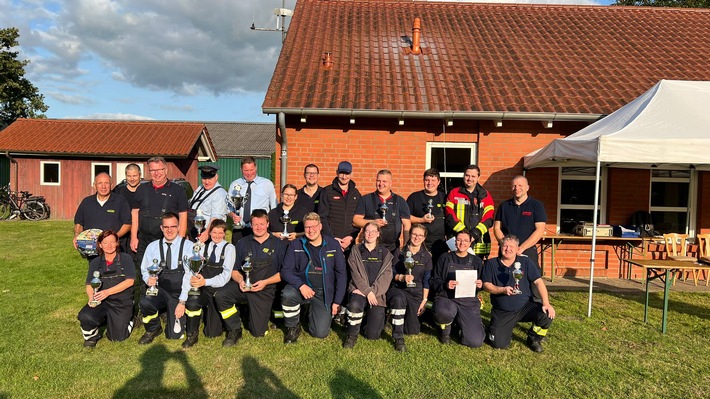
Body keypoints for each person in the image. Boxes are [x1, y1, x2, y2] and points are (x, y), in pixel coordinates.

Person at [215, 209, 287, 346]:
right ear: (251, 225)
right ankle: (234, 328)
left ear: (268, 224)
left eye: (261, 224)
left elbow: (283, 273)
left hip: (264, 290)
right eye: (255, 224)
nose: (258, 227)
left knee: (258, 332)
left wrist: (265, 282)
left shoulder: (278, 244)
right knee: (221, 295)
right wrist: (240, 281)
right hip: (244, 287)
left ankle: (254, 316)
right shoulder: (242, 243)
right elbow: (234, 270)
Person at [280, 212, 347, 343]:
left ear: (320, 226)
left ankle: (311, 312)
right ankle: (292, 327)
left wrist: (337, 301)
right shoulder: (296, 245)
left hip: (323, 292)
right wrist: (301, 285)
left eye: (314, 226)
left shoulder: (332, 245)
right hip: (301, 288)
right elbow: (285, 271)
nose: (311, 230)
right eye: (307, 227)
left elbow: (341, 274)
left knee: (320, 333)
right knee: (287, 294)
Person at [482, 235, 555, 352]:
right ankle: (494, 329)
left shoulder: (525, 261)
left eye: (511, 246)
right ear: (500, 247)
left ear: (517, 248)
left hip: (525, 307)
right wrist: (502, 290)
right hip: (503, 310)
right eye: (505, 246)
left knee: (545, 314)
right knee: (499, 344)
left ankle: (534, 338)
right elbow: (486, 286)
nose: (508, 249)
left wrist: (546, 303)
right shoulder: (491, 264)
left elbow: (539, 282)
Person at [136, 212, 194, 344]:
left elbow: (190, 275)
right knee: (145, 301)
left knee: (174, 336)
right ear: (161, 228)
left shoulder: (188, 246)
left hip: (181, 292)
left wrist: (182, 302)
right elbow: (145, 270)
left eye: (173, 226)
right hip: (161, 290)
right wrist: (147, 279)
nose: (170, 230)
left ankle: (179, 316)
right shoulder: (152, 247)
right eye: (166, 227)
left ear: (179, 227)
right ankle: (153, 328)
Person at [343, 222, 398, 350]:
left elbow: (387, 277)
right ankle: (352, 335)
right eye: (367, 231)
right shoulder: (355, 250)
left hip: (377, 294)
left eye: (373, 231)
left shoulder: (385, 253)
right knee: (355, 304)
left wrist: (373, 292)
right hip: (359, 290)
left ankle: (373, 320)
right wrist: (367, 291)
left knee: (372, 335)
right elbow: (355, 274)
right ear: (363, 233)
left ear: (378, 234)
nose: (370, 234)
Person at [77, 230, 135, 348]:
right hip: (101, 299)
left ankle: (130, 318)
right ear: (100, 245)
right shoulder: (95, 262)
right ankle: (92, 336)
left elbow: (130, 281)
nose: (109, 246)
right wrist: (91, 298)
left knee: (117, 338)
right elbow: (89, 284)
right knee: (85, 316)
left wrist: (108, 292)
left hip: (121, 301)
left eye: (112, 242)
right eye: (105, 243)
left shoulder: (126, 258)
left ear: (117, 243)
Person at [183, 219, 235, 348]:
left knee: (212, 333)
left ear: (225, 233)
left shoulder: (229, 248)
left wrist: (205, 281)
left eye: (220, 232)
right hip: (203, 289)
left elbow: (225, 277)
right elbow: (191, 263)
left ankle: (223, 321)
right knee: (193, 299)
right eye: (214, 232)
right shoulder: (204, 247)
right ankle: (192, 334)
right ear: (209, 233)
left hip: (218, 291)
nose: (217, 235)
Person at [130, 157, 189, 267]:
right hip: (144, 239)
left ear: (166, 170)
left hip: (166, 239)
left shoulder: (178, 190)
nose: (156, 173)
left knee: (166, 270)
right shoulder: (141, 189)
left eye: (160, 170)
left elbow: (183, 215)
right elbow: (134, 213)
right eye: (153, 170)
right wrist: (134, 237)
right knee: (142, 270)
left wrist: (180, 241)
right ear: (149, 172)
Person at [430, 230, 485, 348]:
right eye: (459, 240)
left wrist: (480, 285)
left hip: (468, 301)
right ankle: (444, 332)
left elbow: (481, 283)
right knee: (443, 312)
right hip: (447, 298)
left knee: (475, 342)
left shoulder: (476, 261)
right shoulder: (444, 258)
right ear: (455, 242)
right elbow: (434, 281)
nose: (462, 243)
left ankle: (462, 327)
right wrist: (445, 285)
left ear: (470, 243)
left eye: (466, 240)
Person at [388, 224, 433, 338]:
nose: (417, 237)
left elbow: (427, 280)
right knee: (399, 299)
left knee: (412, 330)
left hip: (416, 292)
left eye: (420, 235)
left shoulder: (427, 256)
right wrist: (401, 277)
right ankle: (392, 316)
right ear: (410, 235)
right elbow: (390, 272)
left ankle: (411, 317)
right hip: (400, 289)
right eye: (414, 234)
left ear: (424, 238)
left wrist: (424, 300)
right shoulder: (399, 252)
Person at [73, 172, 131, 258]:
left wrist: (112, 239)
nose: (103, 186)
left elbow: (128, 224)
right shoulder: (87, 202)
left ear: (111, 185)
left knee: (115, 271)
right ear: (94, 185)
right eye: (100, 183)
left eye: (106, 183)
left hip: (115, 250)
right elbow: (79, 222)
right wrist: (77, 235)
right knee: (95, 270)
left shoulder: (120, 201)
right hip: (93, 249)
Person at [494, 175, 547, 268]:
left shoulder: (536, 206)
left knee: (530, 281)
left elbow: (540, 230)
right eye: (514, 186)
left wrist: (521, 248)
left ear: (527, 187)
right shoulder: (504, 205)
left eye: (520, 185)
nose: (516, 188)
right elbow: (497, 227)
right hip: (506, 253)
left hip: (527, 251)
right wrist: (506, 245)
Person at [353, 169, 411, 253]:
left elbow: (407, 224)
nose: (381, 184)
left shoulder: (400, 201)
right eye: (378, 181)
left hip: (393, 249)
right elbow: (355, 221)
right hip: (370, 248)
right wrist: (373, 222)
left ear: (390, 183)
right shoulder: (365, 199)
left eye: (384, 181)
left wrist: (406, 246)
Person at [445, 164, 495, 260]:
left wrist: (474, 234)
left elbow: (489, 218)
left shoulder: (485, 195)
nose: (469, 178)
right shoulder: (454, 193)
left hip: (479, 242)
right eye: (467, 175)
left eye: (473, 176)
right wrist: (464, 235)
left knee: (478, 272)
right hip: (458, 241)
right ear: (463, 176)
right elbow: (449, 216)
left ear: (478, 177)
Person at [227, 156, 277, 244]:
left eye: (252, 170)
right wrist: (233, 215)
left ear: (256, 168)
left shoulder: (267, 184)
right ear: (241, 169)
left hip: (259, 229)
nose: (249, 173)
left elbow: (274, 207)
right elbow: (228, 207)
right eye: (246, 170)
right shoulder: (234, 185)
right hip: (239, 229)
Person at [318, 161, 361, 255]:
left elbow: (358, 219)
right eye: (341, 173)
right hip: (329, 242)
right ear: (337, 172)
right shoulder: (327, 192)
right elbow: (322, 217)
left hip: (349, 244)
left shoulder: (356, 194)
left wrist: (351, 237)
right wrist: (331, 238)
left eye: (347, 173)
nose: (344, 177)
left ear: (351, 174)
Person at [407, 168, 448, 264]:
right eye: (427, 180)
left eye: (433, 180)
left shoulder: (445, 198)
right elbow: (406, 217)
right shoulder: (414, 197)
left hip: (440, 243)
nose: (430, 183)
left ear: (438, 182)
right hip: (419, 242)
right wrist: (421, 220)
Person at [188, 164, 228, 243]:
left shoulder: (219, 194)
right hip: (193, 230)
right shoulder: (200, 188)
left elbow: (216, 217)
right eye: (204, 178)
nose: (206, 182)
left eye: (210, 178)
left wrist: (206, 233)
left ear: (216, 177)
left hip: (206, 234)